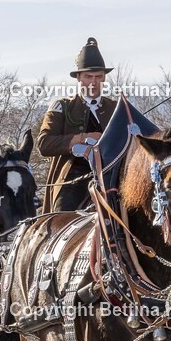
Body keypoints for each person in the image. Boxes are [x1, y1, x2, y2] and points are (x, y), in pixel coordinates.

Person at [38, 37, 118, 213]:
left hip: (112, 177)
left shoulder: (116, 108)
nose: (93, 82)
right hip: (73, 180)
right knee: (63, 216)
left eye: (98, 77)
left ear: (104, 78)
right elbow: (44, 144)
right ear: (79, 78)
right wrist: (82, 138)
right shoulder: (62, 107)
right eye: (88, 76)